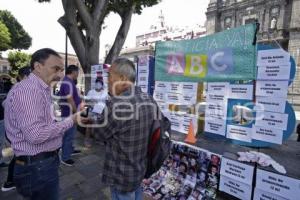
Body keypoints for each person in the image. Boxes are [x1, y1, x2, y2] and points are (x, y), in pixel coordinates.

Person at [4, 48, 86, 200]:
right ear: (38, 66)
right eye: (56, 68)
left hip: (41, 164)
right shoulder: (29, 91)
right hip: (38, 167)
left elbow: (50, 117)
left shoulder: (44, 89)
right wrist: (71, 120)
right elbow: (35, 135)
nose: (60, 74)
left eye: (62, 70)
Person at [93, 58, 158, 200]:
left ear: (122, 78)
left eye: (109, 75)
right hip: (140, 169)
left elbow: (97, 134)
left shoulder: (117, 104)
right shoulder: (149, 99)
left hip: (121, 176)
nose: (107, 80)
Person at [1, 66, 31, 192]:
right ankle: (12, 182)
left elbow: (4, 104)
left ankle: (11, 181)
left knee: (18, 157)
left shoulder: (16, 89)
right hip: (19, 134)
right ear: (25, 77)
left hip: (13, 132)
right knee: (20, 159)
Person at [59, 65, 82, 166]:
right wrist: (75, 113)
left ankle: (70, 150)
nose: (78, 74)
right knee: (68, 136)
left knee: (71, 135)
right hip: (69, 114)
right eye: (78, 72)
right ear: (73, 72)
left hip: (70, 113)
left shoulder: (68, 81)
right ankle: (65, 157)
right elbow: (70, 99)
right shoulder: (67, 82)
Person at [84, 79, 107, 147]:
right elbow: (86, 101)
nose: (98, 85)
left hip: (101, 111)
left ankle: (99, 140)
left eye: (100, 83)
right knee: (89, 126)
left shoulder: (104, 92)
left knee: (100, 126)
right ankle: (87, 141)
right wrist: (92, 104)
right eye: (97, 83)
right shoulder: (91, 92)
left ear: (102, 85)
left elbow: (107, 101)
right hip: (92, 111)